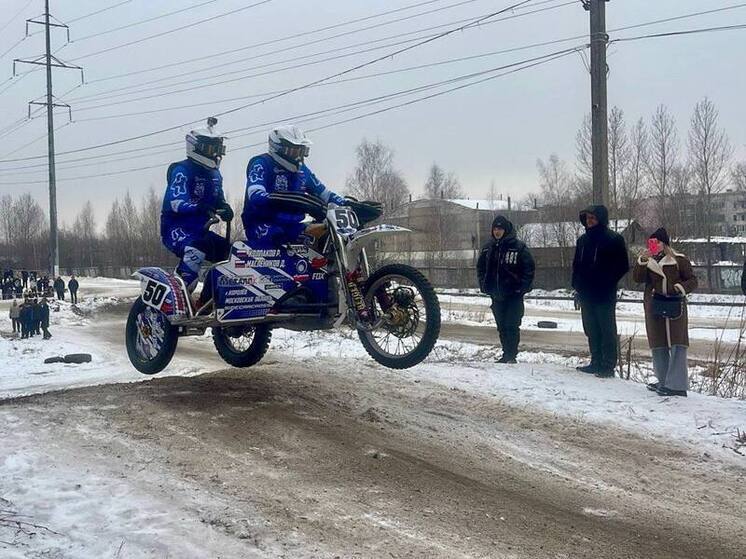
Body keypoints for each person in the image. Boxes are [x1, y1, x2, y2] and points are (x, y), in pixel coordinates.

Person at [160, 117, 233, 301]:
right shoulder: (182, 170)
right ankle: (177, 295)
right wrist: (198, 207)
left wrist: (224, 208)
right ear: (196, 147)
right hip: (176, 228)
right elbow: (175, 202)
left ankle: (208, 301)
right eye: (211, 149)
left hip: (201, 230)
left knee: (233, 255)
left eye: (218, 149)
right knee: (196, 249)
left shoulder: (216, 175)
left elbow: (218, 199)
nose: (216, 154)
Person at [241, 125, 347, 249]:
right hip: (262, 225)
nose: (298, 157)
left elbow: (325, 194)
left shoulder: (302, 171)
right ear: (279, 148)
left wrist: (347, 204)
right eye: (294, 151)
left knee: (326, 236)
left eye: (301, 151)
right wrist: (290, 201)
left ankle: (334, 267)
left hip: (293, 225)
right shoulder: (261, 163)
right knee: (278, 241)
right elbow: (255, 195)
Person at [633, 229, 697, 397]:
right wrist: (642, 261)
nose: (653, 246)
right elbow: (637, 279)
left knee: (677, 343)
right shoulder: (648, 261)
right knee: (658, 343)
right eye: (651, 243)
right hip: (654, 304)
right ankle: (663, 381)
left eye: (657, 242)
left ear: (664, 243)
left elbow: (692, 280)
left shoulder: (678, 260)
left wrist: (679, 288)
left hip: (675, 304)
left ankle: (676, 385)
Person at [571, 204, 630, 378]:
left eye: (593, 218)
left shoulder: (613, 239)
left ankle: (607, 365)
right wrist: (576, 285)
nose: (589, 221)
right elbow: (576, 265)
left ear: (601, 219)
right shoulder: (582, 241)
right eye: (587, 218)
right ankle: (595, 361)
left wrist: (607, 281)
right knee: (591, 328)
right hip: (586, 293)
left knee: (606, 329)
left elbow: (622, 266)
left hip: (604, 293)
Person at [477, 215, 535, 363]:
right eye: (495, 228)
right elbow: (480, 268)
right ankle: (506, 353)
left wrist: (522, 288)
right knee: (501, 326)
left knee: (512, 325)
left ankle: (511, 355)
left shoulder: (518, 247)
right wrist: (484, 285)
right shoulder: (488, 248)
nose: (497, 231)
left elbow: (529, 269)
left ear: (506, 230)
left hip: (513, 295)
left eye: (500, 229)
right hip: (496, 295)